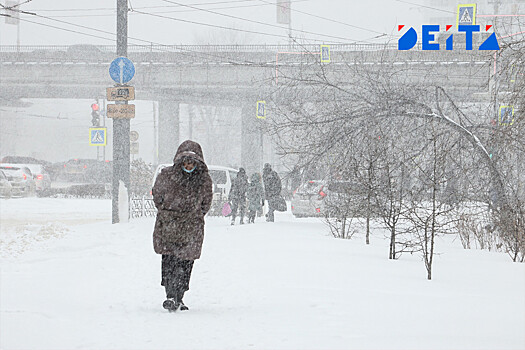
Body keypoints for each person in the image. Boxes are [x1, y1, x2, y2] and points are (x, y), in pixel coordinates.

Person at [152, 140, 213, 312]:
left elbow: (206, 203)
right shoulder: (166, 175)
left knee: (185, 264)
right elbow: (157, 196)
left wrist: (193, 215)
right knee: (170, 261)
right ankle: (170, 295)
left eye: (191, 162)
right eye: (185, 161)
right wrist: (168, 213)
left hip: (190, 228)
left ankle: (180, 296)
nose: (188, 165)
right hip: (169, 226)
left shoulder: (203, 179)